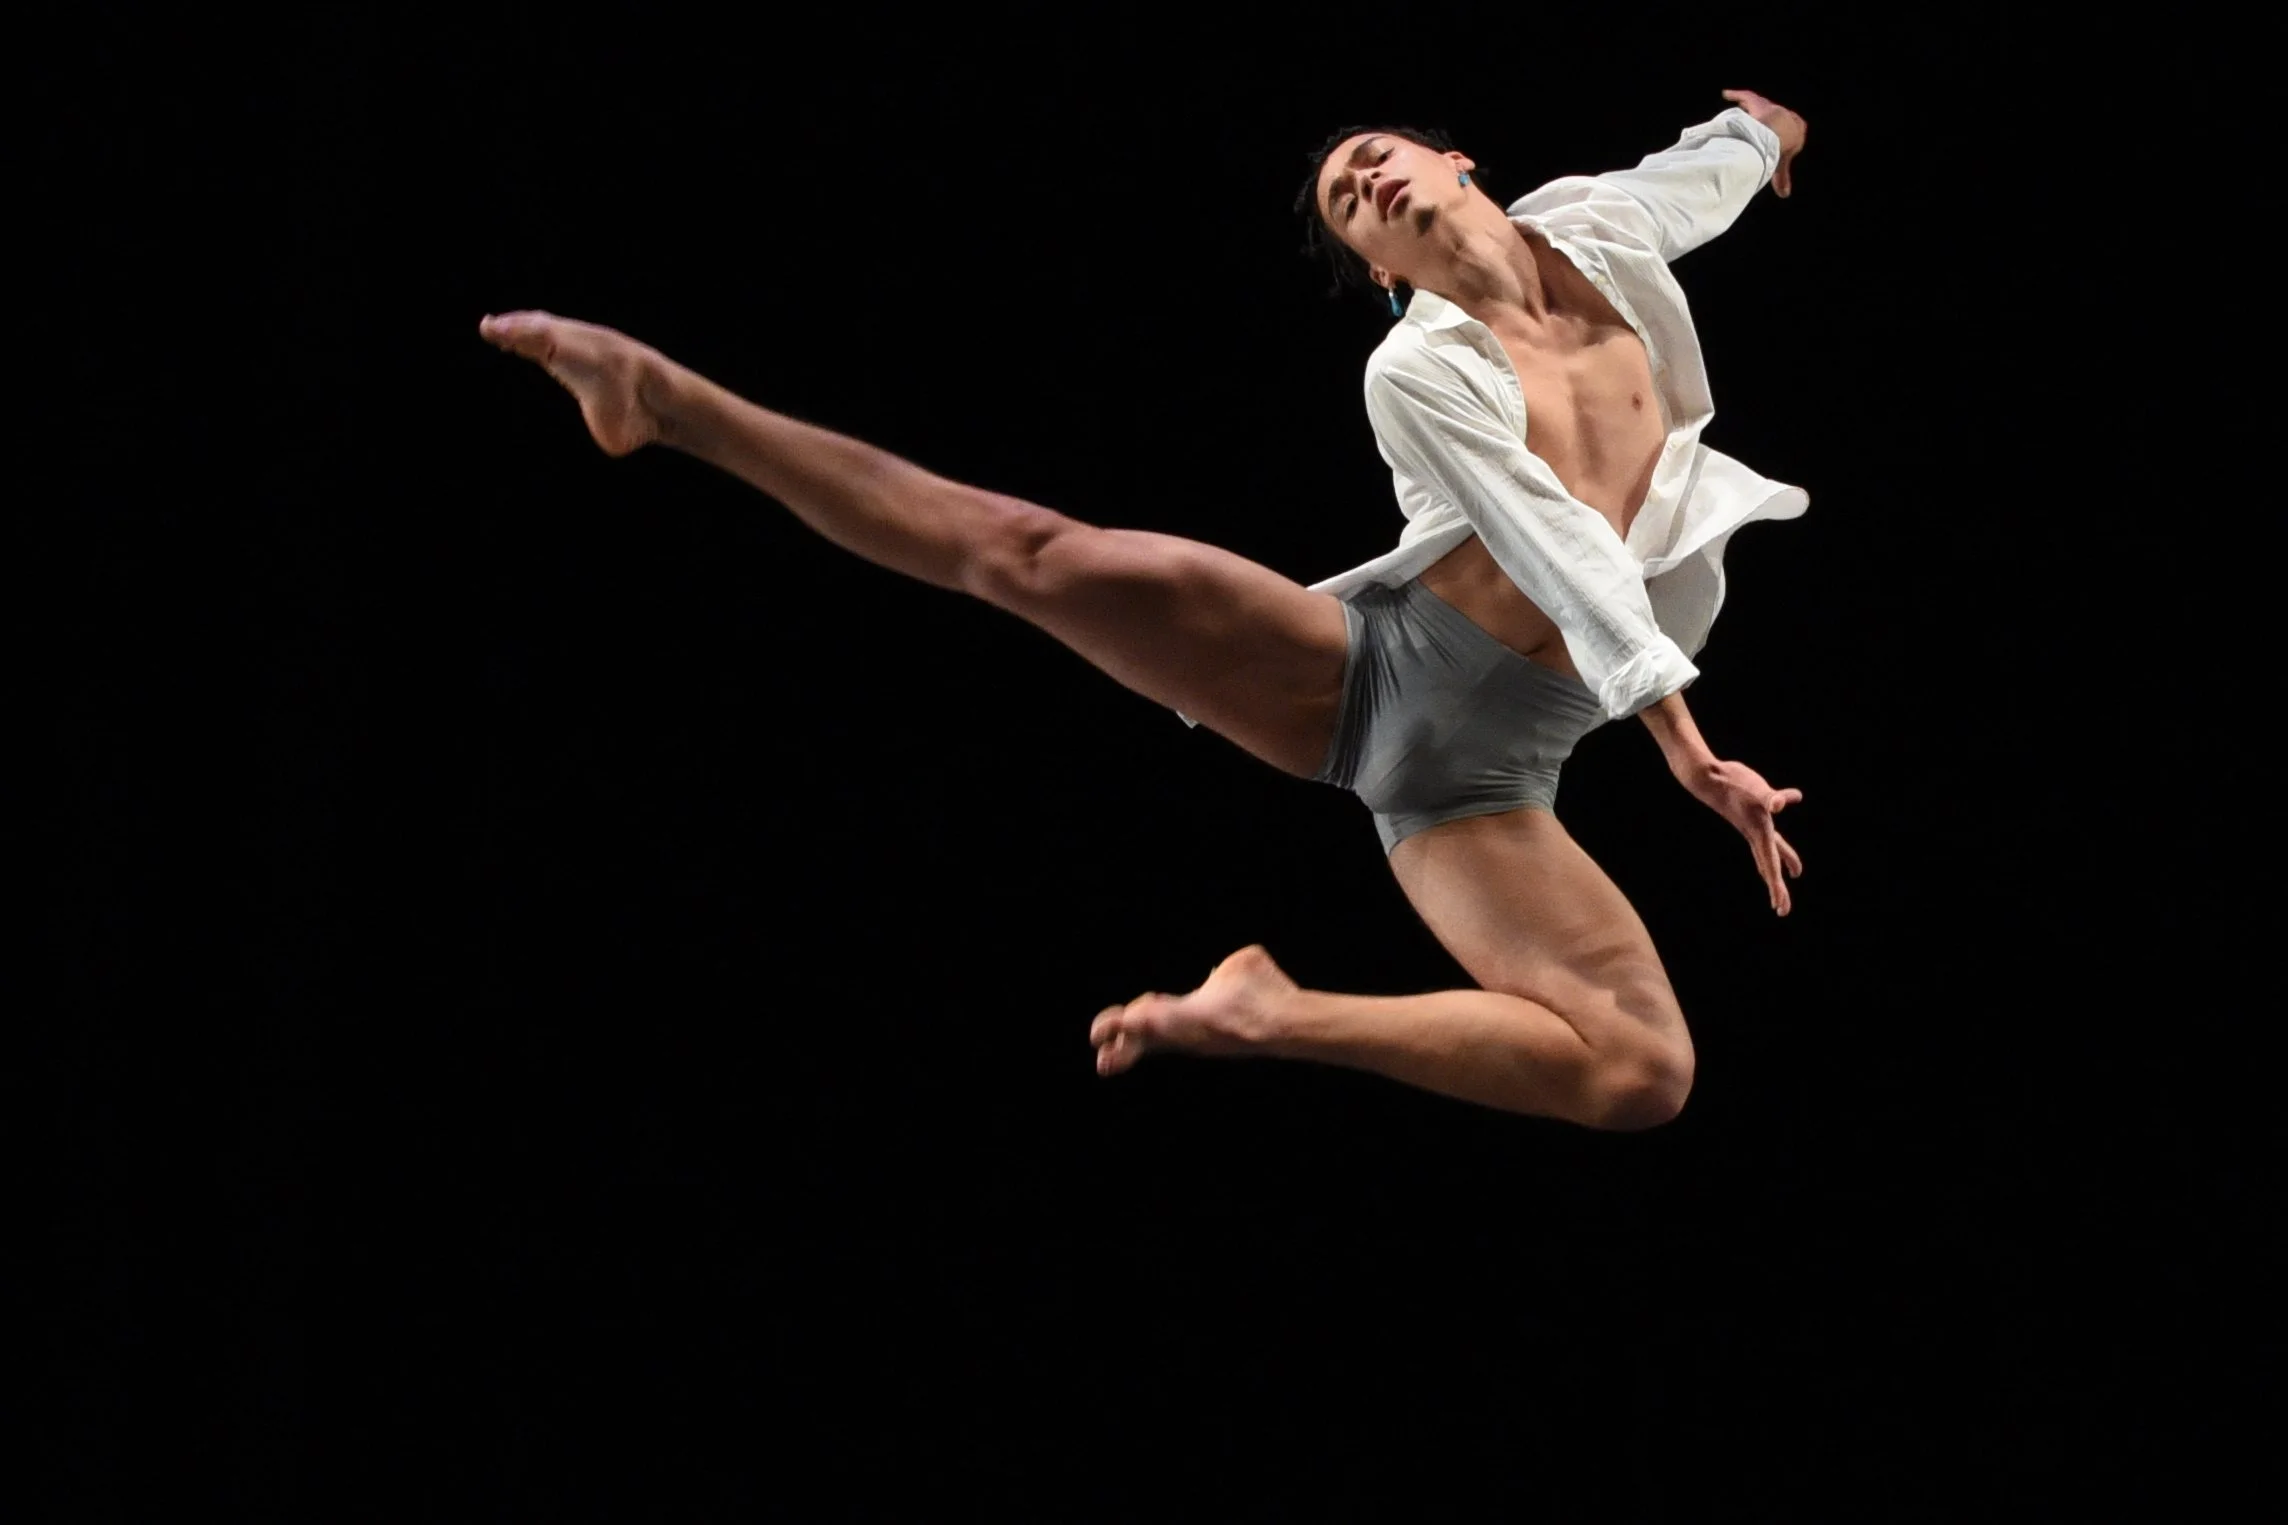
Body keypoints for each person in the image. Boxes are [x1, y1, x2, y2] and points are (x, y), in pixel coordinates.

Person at [476, 89, 1810, 1130]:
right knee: (1027, 553)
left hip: (1485, 783)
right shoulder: (1412, 370)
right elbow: (1560, 545)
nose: (1365, 182)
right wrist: (1688, 753)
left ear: (1456, 162)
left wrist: (1764, 132)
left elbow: (1705, 172)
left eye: (1375, 159)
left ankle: (1271, 1015)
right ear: (1376, 269)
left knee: (1642, 1074)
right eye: (1346, 202)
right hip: (1368, 674)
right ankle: (668, 401)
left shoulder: (1603, 232)